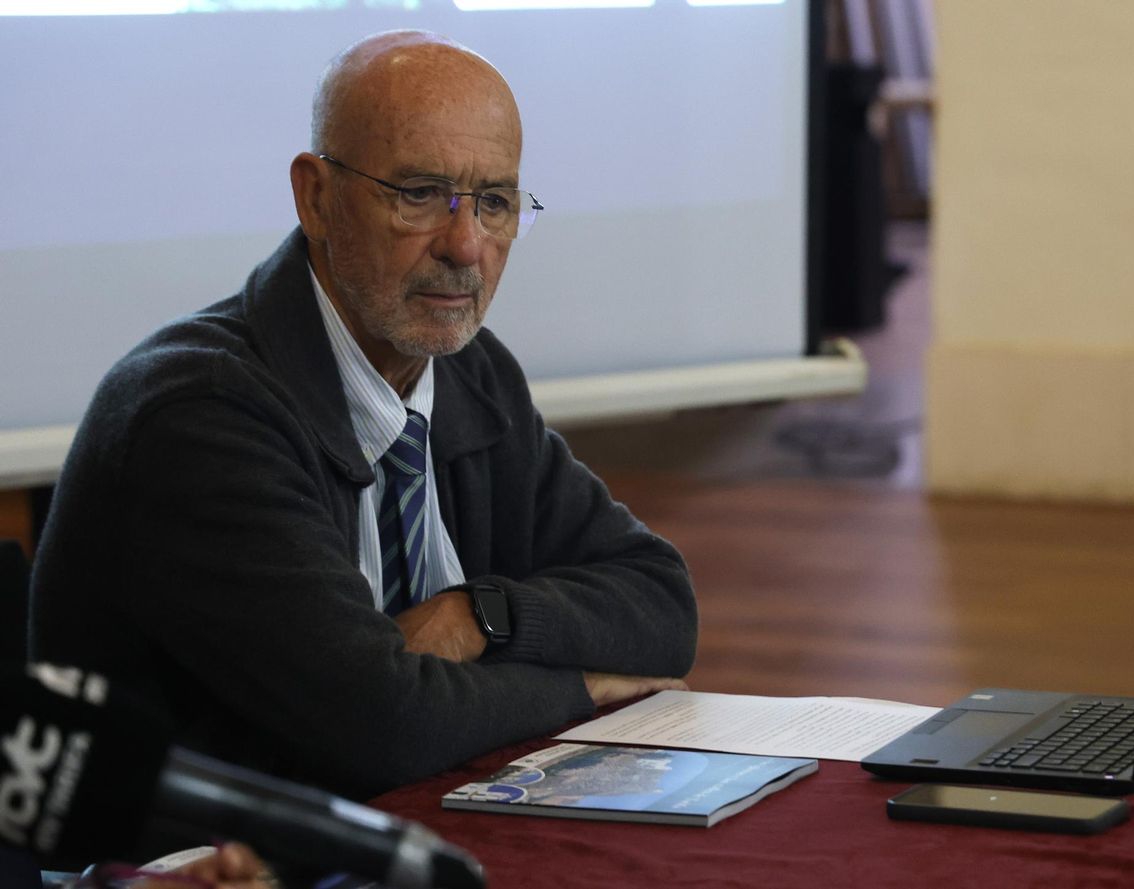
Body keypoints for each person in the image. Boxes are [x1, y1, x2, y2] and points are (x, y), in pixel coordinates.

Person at [28, 30, 697, 799]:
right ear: (316, 197)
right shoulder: (197, 414)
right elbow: (381, 723)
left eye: (495, 202)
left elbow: (662, 601)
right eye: (419, 194)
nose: (466, 245)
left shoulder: (470, 373)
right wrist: (585, 683)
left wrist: (480, 614)